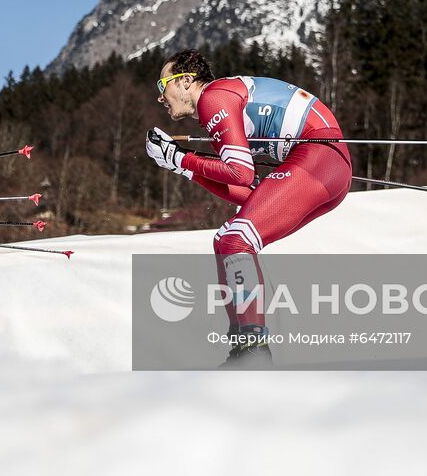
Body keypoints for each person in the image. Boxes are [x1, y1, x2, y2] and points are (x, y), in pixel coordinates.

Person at [145, 49, 352, 366]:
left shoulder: (214, 98)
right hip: (325, 167)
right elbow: (250, 192)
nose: (161, 97)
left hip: (319, 156)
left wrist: (180, 158)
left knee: (236, 239)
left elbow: (241, 173)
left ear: (186, 81)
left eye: (163, 87)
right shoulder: (217, 109)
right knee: (226, 240)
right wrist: (183, 166)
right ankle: (243, 348)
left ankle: (254, 350)